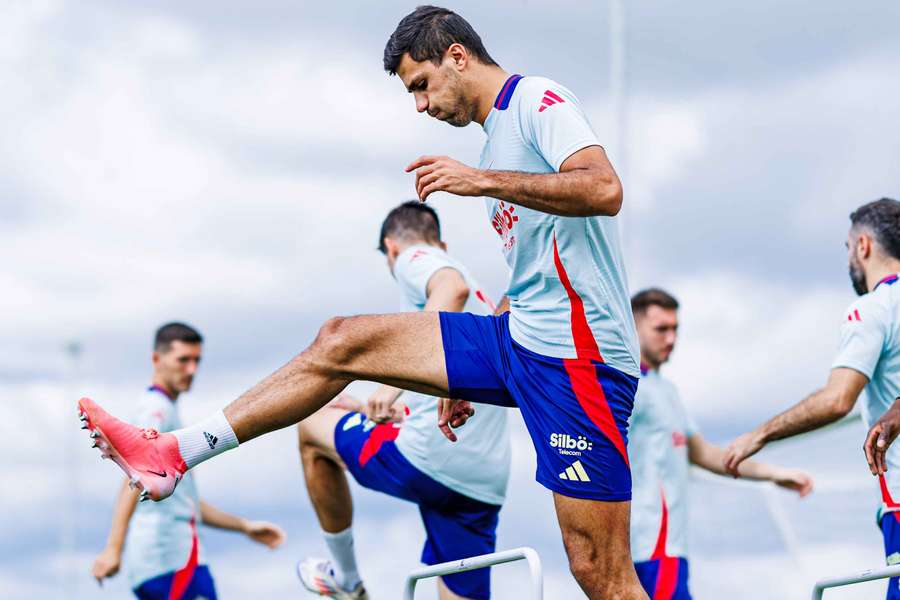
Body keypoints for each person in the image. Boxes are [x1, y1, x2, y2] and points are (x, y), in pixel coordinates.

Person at [79, 6, 645, 597]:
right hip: (517, 338)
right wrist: (455, 376)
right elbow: (538, 273)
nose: (420, 106)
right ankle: (176, 451)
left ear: (457, 55)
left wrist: (483, 181)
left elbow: (604, 188)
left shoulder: (537, 100)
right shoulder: (494, 138)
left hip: (580, 361)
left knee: (597, 570)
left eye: (421, 86)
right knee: (340, 339)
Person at [296, 201, 511, 600]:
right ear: (442, 240)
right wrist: (384, 406)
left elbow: (451, 289)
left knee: (310, 426)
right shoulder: (482, 298)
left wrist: (390, 384)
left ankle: (346, 578)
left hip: (429, 459)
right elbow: (452, 362)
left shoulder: (416, 258)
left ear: (391, 250)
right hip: (482, 483)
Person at [723, 198, 900, 599]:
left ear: (864, 246)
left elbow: (838, 400)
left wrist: (760, 434)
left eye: (847, 248)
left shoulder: (873, 309)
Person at [627, 289, 813, 599]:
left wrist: (774, 474)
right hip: (647, 545)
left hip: (671, 548)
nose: (671, 338)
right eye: (661, 329)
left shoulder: (667, 391)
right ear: (634, 328)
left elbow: (707, 455)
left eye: (675, 329)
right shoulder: (629, 387)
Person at [89, 323, 286, 600]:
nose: (192, 369)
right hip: (170, 559)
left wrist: (244, 527)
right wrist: (113, 547)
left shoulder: (167, 410)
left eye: (197, 361)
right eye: (183, 360)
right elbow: (131, 478)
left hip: (169, 560)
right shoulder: (156, 410)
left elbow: (188, 503)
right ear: (157, 359)